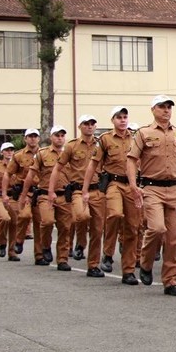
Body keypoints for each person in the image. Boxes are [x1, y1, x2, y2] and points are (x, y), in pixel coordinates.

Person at [127, 95, 176, 296]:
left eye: (169, 107)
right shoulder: (143, 133)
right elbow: (131, 160)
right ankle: (145, 262)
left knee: (174, 239)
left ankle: (171, 280)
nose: (166, 110)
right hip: (152, 188)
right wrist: (134, 186)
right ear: (153, 109)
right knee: (157, 228)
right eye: (162, 106)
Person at [83, 106, 141, 284]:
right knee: (115, 214)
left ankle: (128, 271)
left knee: (133, 227)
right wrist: (85, 190)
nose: (123, 120)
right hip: (114, 183)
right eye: (119, 117)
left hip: (131, 185)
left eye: (125, 117)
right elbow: (93, 165)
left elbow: (144, 161)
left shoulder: (136, 138)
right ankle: (108, 253)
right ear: (112, 121)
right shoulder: (105, 139)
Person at [50, 114, 105, 278]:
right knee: (81, 216)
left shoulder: (102, 144)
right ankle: (81, 242)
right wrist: (52, 190)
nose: (90, 126)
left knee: (97, 229)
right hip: (78, 190)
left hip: (98, 190)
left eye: (92, 124)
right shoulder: (71, 146)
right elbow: (57, 168)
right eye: (86, 124)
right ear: (80, 126)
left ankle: (93, 265)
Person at [20, 126, 72, 271]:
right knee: (47, 221)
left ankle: (62, 259)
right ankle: (46, 245)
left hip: (64, 195)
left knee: (65, 228)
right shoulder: (42, 154)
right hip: (45, 195)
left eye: (62, 135)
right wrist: (24, 195)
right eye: (57, 135)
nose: (60, 138)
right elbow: (31, 174)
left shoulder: (70, 153)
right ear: (51, 137)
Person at [2, 129, 41, 262]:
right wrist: (4, 193)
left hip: (40, 191)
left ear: (39, 139)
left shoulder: (44, 153)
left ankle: (39, 255)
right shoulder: (19, 156)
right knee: (24, 215)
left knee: (40, 223)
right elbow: (8, 173)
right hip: (24, 192)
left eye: (35, 136)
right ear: (25, 139)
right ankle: (19, 239)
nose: (33, 139)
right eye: (30, 136)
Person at [0, 143, 15, 261]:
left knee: (15, 222)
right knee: (5, 218)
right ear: (2, 152)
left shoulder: (17, 166)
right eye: (6, 150)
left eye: (11, 150)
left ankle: (12, 252)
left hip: (13, 196)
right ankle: (2, 241)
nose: (9, 152)